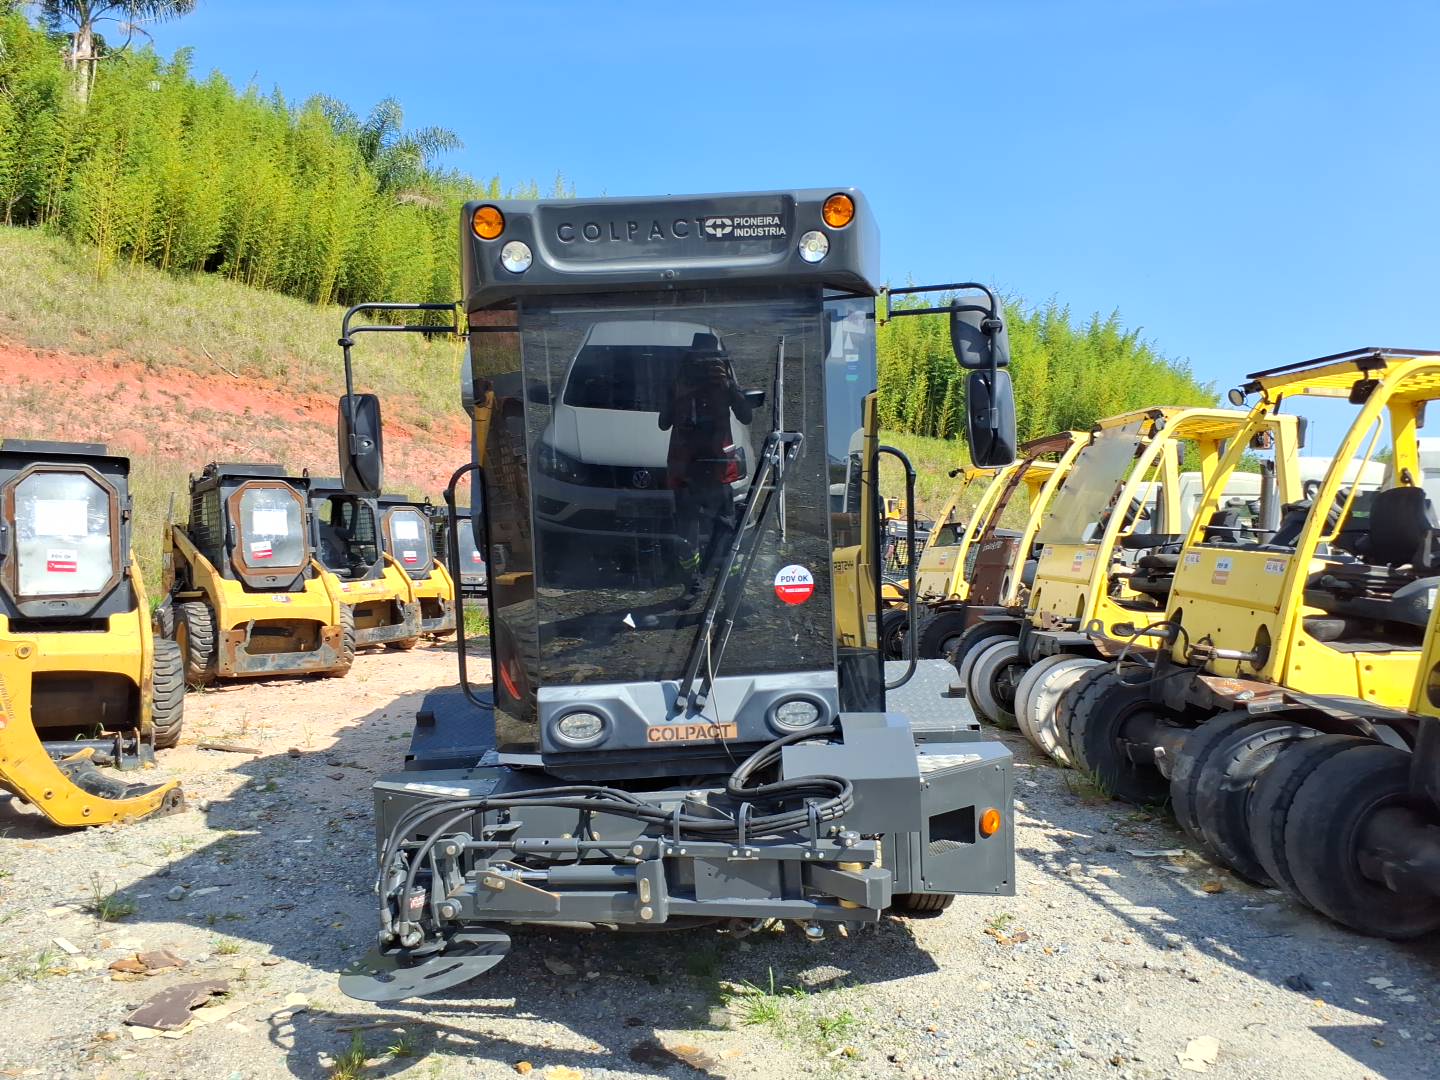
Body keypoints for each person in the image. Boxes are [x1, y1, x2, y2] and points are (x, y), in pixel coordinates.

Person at [659, 333, 754, 601]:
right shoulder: (679, 382)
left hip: (717, 469)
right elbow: (664, 422)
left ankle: (729, 589)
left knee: (724, 530)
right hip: (686, 472)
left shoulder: (722, 381)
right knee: (688, 535)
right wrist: (682, 392)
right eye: (700, 361)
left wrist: (728, 387)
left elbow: (746, 415)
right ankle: (693, 585)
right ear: (689, 360)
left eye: (711, 361)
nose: (705, 366)